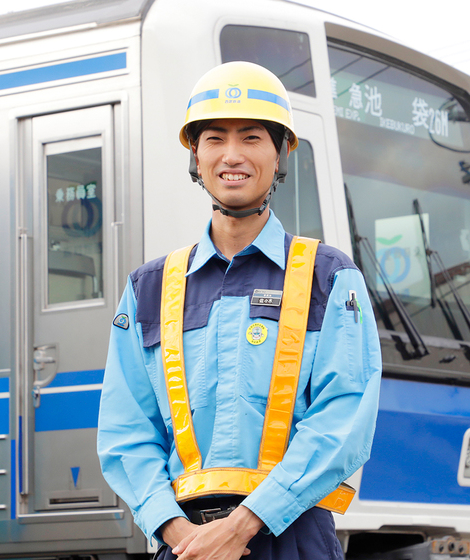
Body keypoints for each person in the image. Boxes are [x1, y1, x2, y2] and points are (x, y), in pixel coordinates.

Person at [97, 61, 382, 560]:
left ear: (281, 152)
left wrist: (242, 526)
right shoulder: (148, 288)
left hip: (292, 537)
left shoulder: (329, 277)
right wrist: (179, 533)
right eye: (214, 138)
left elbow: (342, 417)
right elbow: (126, 430)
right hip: (184, 544)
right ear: (195, 155)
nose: (232, 155)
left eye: (251, 137)